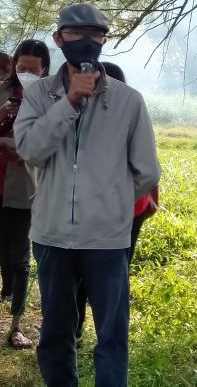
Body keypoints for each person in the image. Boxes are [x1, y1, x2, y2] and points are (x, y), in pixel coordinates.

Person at [14, 3, 160, 387]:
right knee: (56, 331)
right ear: (59, 39)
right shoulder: (39, 96)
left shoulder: (128, 101)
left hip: (107, 239)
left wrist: (109, 204)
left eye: (96, 34)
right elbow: (29, 149)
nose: (86, 41)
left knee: (111, 334)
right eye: (76, 34)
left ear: (103, 40)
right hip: (51, 234)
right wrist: (70, 102)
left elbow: (147, 171)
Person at [0, 38, 50, 350]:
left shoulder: (50, 97)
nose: (26, 72)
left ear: (44, 70)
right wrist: (3, 112)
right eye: (21, 66)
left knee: (20, 260)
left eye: (33, 68)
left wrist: (24, 151)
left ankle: (16, 326)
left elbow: (52, 143)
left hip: (26, 187)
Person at [72, 62, 160, 345]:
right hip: (123, 206)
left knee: (100, 272)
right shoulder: (114, 114)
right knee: (108, 272)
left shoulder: (125, 115)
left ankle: (90, 331)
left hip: (122, 208)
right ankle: (92, 331)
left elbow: (146, 168)